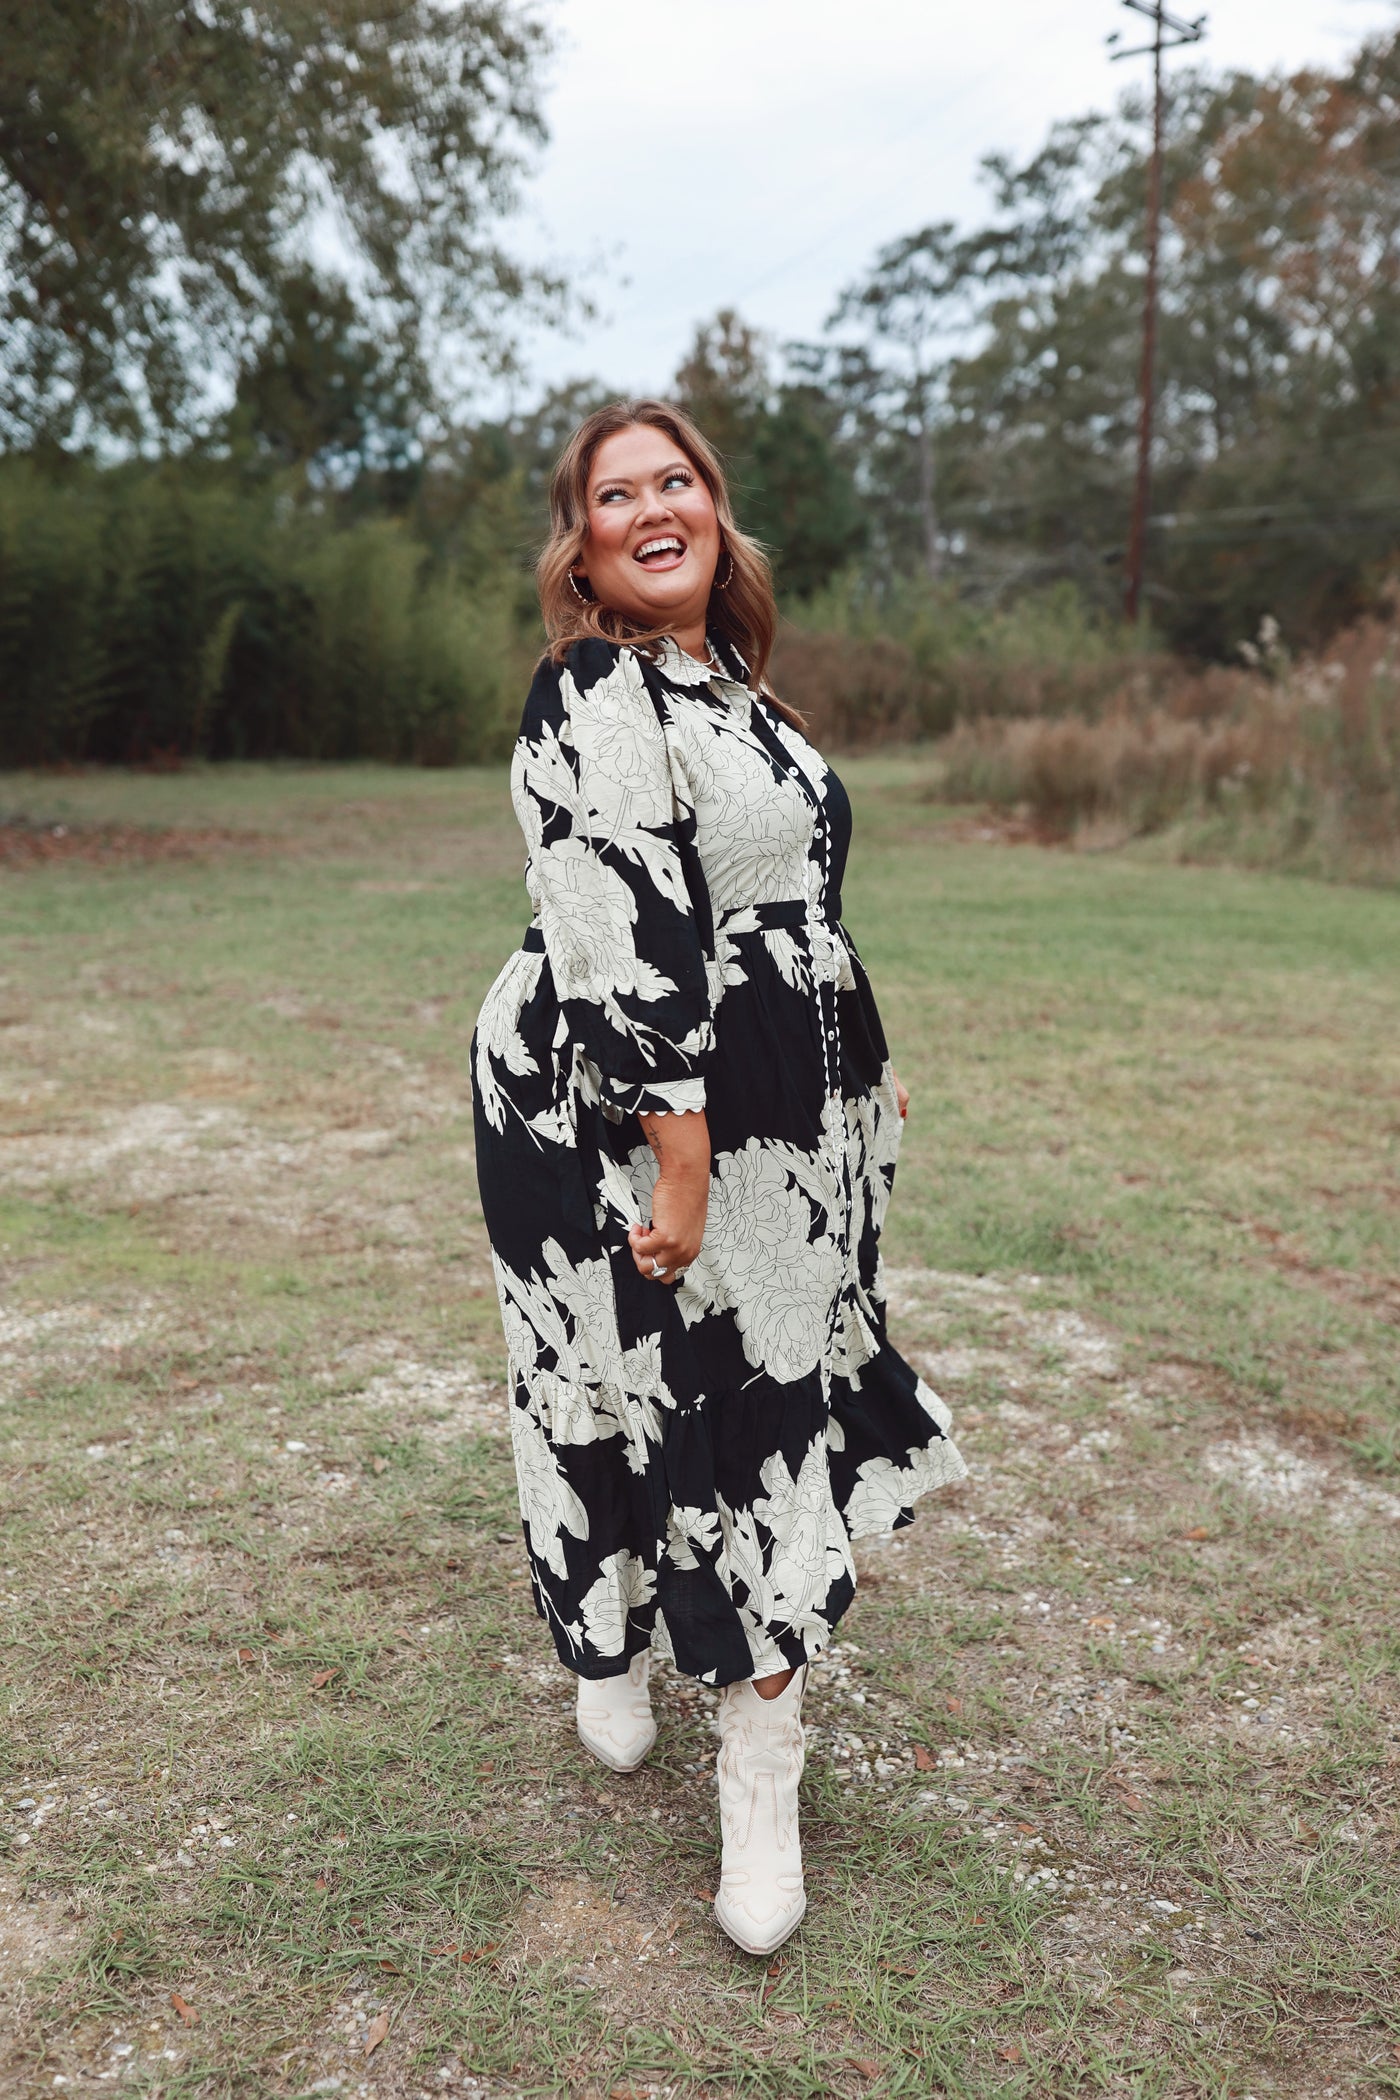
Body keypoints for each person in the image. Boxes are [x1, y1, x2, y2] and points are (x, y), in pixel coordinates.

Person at [472, 399, 967, 1956]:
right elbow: (625, 930)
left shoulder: (739, 691)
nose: (652, 507)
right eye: (617, 494)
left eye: (674, 479)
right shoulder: (594, 690)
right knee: (609, 1381)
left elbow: (795, 899)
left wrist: (858, 1052)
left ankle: (761, 1759)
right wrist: (680, 1160)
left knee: (765, 1401)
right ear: (587, 543)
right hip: (613, 1104)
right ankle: (608, 1642)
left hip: (789, 1104)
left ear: (713, 508)